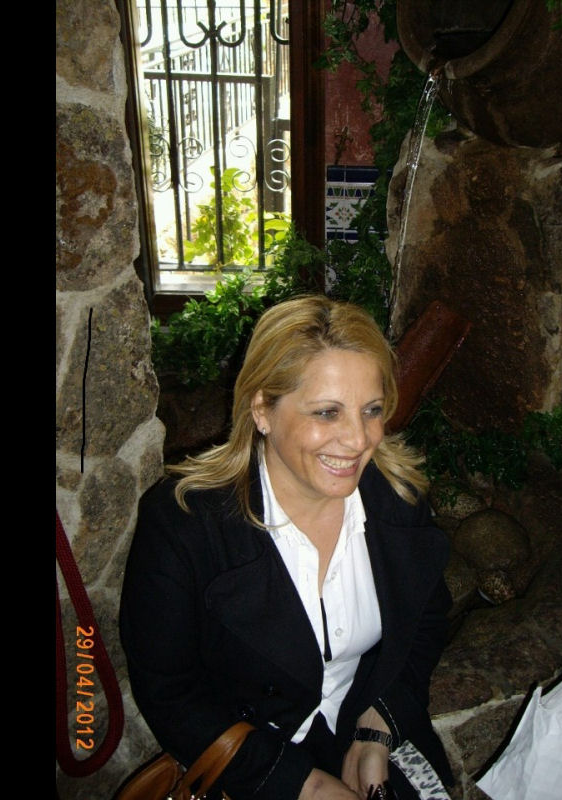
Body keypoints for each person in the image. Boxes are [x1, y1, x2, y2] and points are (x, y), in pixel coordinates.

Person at [120, 294, 454, 799]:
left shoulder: (396, 500)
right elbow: (168, 689)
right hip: (252, 769)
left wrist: (377, 727)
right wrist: (301, 785)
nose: (358, 440)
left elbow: (426, 620)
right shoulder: (184, 523)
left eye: (371, 410)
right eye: (327, 412)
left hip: (368, 742)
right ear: (262, 410)